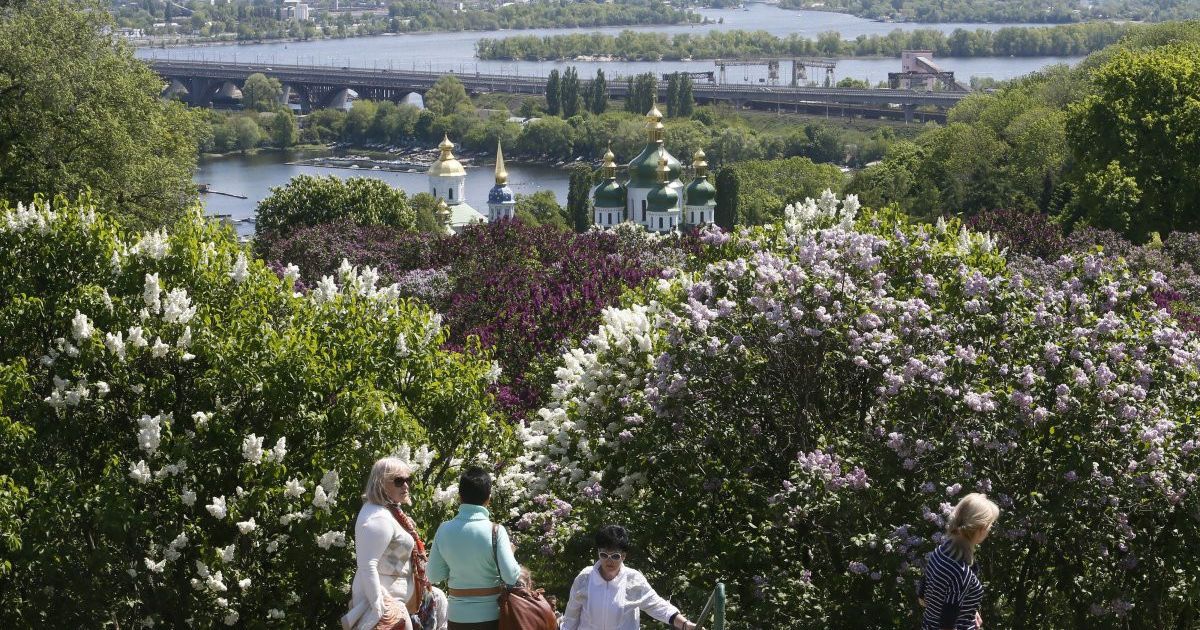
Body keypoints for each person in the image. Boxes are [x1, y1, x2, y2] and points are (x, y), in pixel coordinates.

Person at [343, 457, 449, 630]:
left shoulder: (391, 512)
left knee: (438, 599)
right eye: (399, 481)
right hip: (385, 601)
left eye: (408, 480)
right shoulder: (377, 517)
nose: (406, 486)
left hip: (401, 598)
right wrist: (380, 608)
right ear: (380, 484)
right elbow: (367, 566)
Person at [427, 466, 521, 630]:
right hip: (491, 617)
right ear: (488, 499)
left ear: (459, 497)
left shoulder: (444, 529)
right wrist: (510, 555)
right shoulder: (496, 531)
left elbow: (434, 575)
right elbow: (511, 576)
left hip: (457, 618)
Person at [561, 524, 697, 630]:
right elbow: (570, 618)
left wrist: (685, 624)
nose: (609, 561)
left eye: (615, 556)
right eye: (604, 555)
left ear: (624, 556)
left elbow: (658, 606)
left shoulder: (634, 579)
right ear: (598, 553)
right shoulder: (584, 578)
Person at [918, 493, 1000, 630]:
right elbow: (946, 625)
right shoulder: (961, 573)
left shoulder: (941, 552)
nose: (990, 529)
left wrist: (968, 611)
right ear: (981, 529)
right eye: (990, 524)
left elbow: (922, 597)